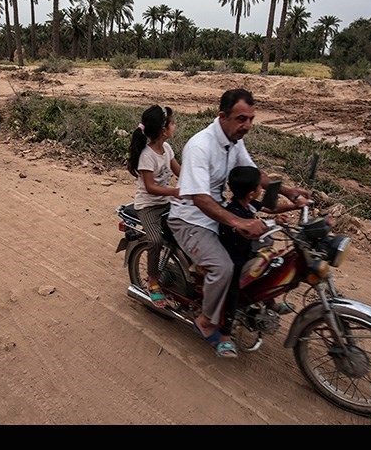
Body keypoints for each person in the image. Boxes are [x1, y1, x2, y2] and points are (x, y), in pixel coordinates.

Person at [166, 88, 308, 358]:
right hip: (191, 220)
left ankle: (254, 299)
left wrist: (288, 191)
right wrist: (237, 222)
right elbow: (198, 198)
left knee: (265, 244)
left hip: (218, 212)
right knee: (223, 267)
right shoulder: (200, 146)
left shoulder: (234, 140)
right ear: (223, 116)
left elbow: (256, 174)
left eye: (251, 119)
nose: (248, 125)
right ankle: (206, 321)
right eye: (242, 119)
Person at [218, 166, 302, 345]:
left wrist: (293, 206)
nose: (261, 190)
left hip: (248, 252)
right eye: (259, 187)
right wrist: (266, 223)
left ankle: (270, 303)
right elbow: (251, 229)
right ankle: (225, 333)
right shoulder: (234, 212)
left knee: (269, 266)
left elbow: (270, 209)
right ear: (251, 193)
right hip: (234, 258)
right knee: (233, 292)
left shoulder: (247, 203)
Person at [127, 105, 181, 308]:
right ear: (163, 130)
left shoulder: (167, 149)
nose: (175, 126)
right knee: (156, 240)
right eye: (173, 123)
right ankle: (153, 280)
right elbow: (150, 187)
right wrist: (175, 192)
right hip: (148, 206)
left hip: (166, 202)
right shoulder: (147, 156)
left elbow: (180, 171)